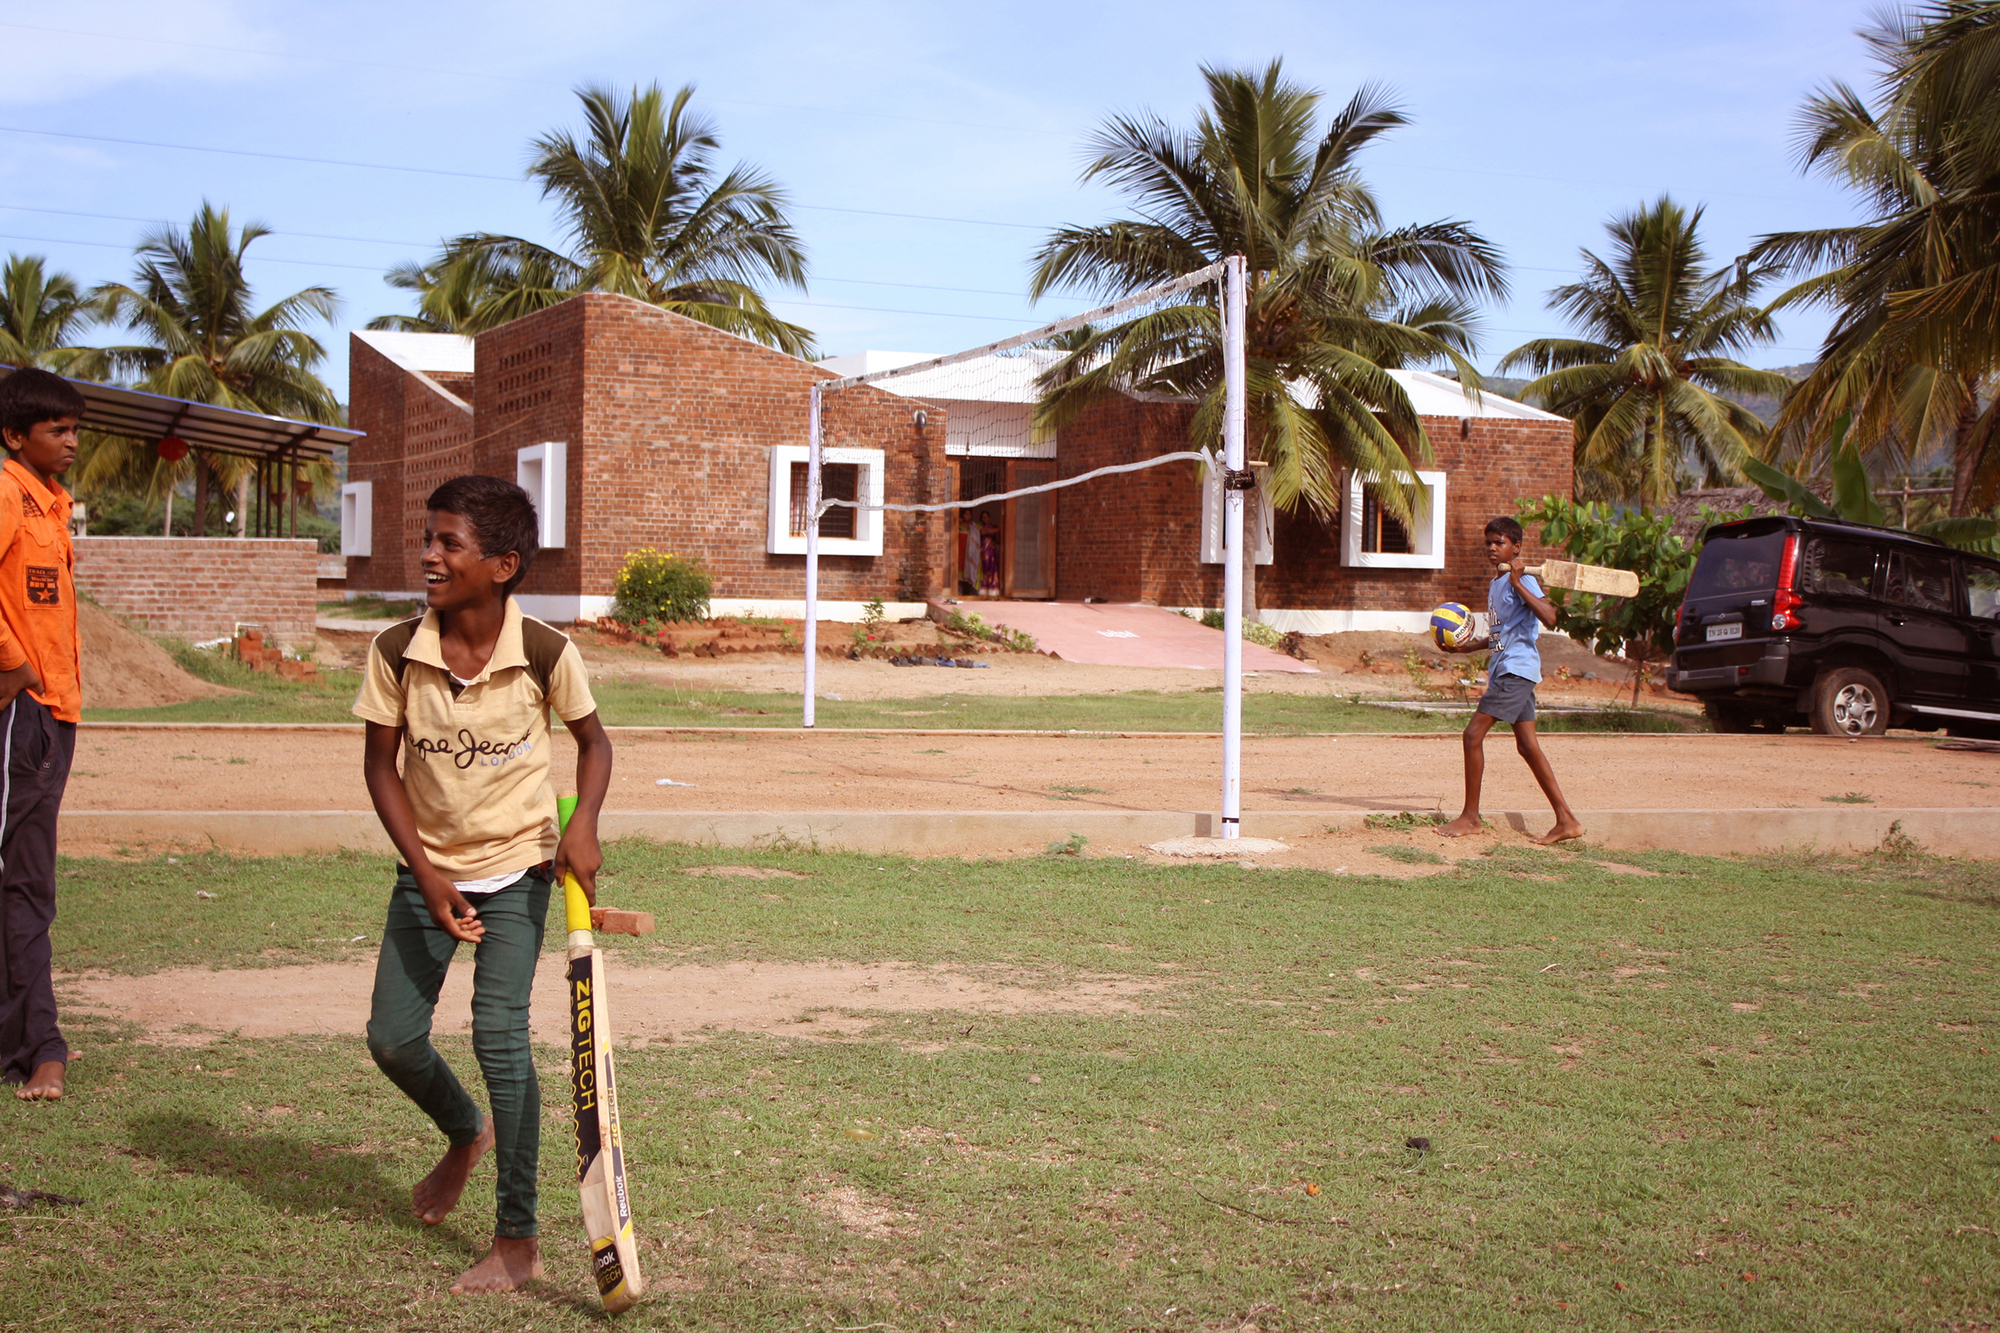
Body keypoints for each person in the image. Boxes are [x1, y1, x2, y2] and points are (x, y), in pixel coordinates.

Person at [352, 475, 613, 1294]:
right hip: (427, 873)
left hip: (518, 872)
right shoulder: (398, 648)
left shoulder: (544, 650)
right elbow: (379, 766)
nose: (429, 554)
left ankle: (517, 1240)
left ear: (502, 563)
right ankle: (467, 1132)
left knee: (500, 1037)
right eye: (428, 539)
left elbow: (595, 745)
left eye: (448, 542)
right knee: (392, 1038)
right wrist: (426, 876)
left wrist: (583, 824)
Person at [0, 368, 82, 1103]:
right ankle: (40, 1045)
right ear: (13, 435)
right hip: (21, 710)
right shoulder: (3, 492)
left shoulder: (52, 506)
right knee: (25, 877)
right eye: (56, 429)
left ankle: (25, 1038)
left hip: (53, 711)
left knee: (26, 876)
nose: (71, 441)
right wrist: (16, 664)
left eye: (74, 429)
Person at [1436, 516, 1585, 846]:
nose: (1491, 547)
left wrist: (1519, 583)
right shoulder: (1496, 584)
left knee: (1472, 735)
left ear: (1515, 548)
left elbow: (1550, 617)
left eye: (1499, 543)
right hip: (1507, 668)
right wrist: (1465, 648)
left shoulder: (1522, 580)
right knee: (1527, 746)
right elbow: (1498, 636)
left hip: (1516, 671)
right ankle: (1566, 820)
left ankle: (1471, 817)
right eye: (1488, 542)